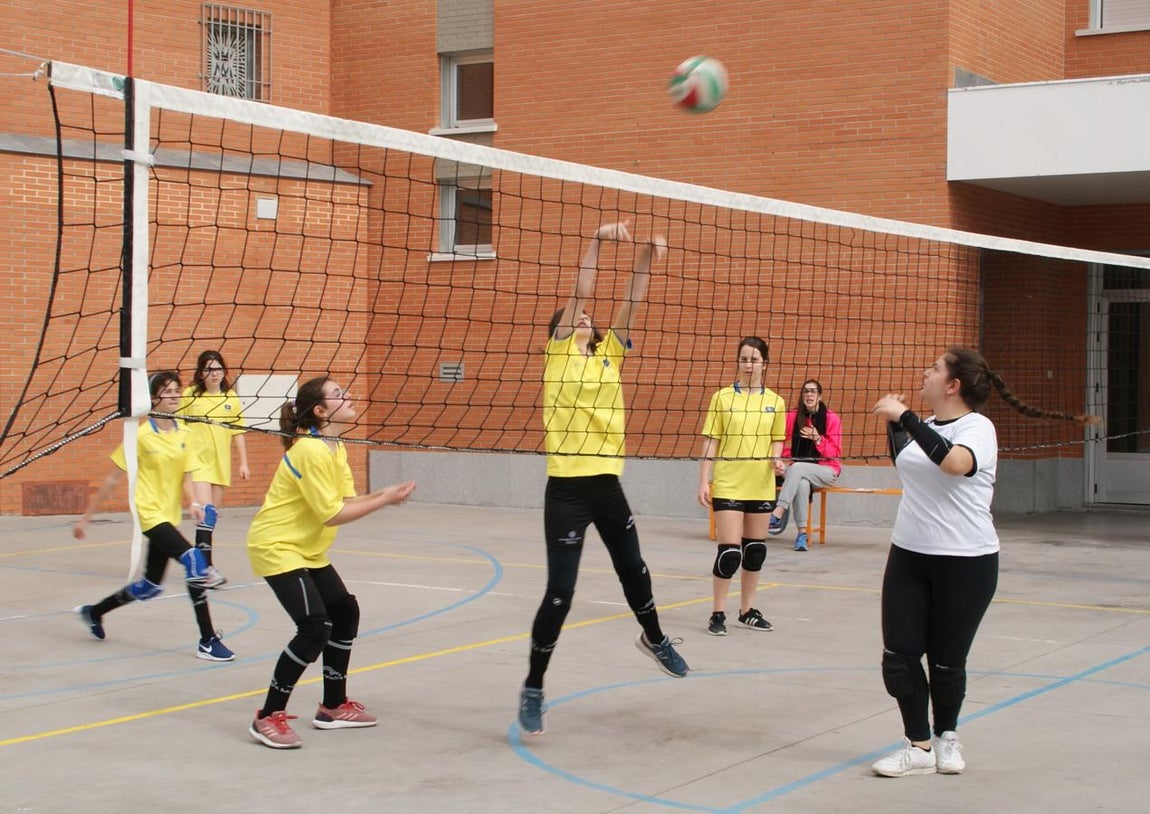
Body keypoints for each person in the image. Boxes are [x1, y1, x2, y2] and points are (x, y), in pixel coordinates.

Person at [869, 347, 1099, 777]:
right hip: (909, 555)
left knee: (946, 662)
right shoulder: (925, 427)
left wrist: (905, 417)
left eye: (935, 368)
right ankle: (918, 747)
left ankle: (946, 737)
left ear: (953, 385)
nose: (925, 372)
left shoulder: (978, 428)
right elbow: (910, 463)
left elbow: (955, 463)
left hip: (966, 562)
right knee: (898, 657)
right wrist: (898, 424)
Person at [518, 221, 687, 738]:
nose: (586, 318)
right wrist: (595, 239)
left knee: (634, 569)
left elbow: (632, 299)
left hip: (607, 485)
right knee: (560, 593)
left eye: (589, 318)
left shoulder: (610, 353)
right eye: (577, 317)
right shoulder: (557, 355)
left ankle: (654, 637)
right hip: (566, 490)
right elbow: (581, 289)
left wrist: (646, 255)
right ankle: (534, 687)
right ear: (561, 330)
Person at [246, 376, 416, 750]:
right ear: (321, 411)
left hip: (306, 548)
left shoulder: (334, 446)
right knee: (314, 627)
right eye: (338, 394)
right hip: (276, 545)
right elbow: (332, 514)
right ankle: (267, 716)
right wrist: (383, 501)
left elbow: (345, 501)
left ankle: (333, 706)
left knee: (344, 611)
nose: (349, 396)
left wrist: (384, 493)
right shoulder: (310, 450)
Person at [72, 371, 233, 661]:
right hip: (148, 512)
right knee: (194, 561)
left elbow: (187, 475)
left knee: (151, 586)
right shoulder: (140, 435)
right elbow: (112, 479)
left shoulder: (185, 433)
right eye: (166, 391)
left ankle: (94, 612)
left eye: (176, 390)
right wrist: (86, 517)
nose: (174, 395)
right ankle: (207, 641)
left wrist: (194, 502)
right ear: (153, 398)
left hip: (169, 515)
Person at [697, 337, 786, 636]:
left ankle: (747, 611)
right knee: (729, 554)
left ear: (765, 364)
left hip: (760, 484)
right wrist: (703, 480)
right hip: (728, 484)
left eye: (755, 359)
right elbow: (711, 441)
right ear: (738, 362)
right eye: (745, 359)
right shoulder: (722, 398)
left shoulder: (776, 402)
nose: (749, 365)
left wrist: (776, 460)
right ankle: (718, 612)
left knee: (755, 551)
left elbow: (777, 440)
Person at [179, 350, 250, 576]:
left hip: (220, 462)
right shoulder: (190, 395)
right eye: (208, 369)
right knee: (206, 512)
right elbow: (179, 426)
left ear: (223, 372)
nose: (214, 374)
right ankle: (206, 568)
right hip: (196, 461)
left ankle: (200, 564)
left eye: (218, 369)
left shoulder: (230, 397)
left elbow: (238, 431)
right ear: (201, 373)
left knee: (209, 519)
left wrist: (244, 462)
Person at [769, 379, 843, 551]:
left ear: (820, 396)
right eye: (806, 391)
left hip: (826, 470)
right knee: (802, 483)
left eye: (813, 391)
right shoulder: (794, 416)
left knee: (797, 468)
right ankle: (802, 534)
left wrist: (818, 439)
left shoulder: (831, 418)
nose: (809, 395)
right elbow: (779, 439)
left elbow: (835, 453)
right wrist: (780, 459)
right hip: (798, 469)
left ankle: (778, 512)